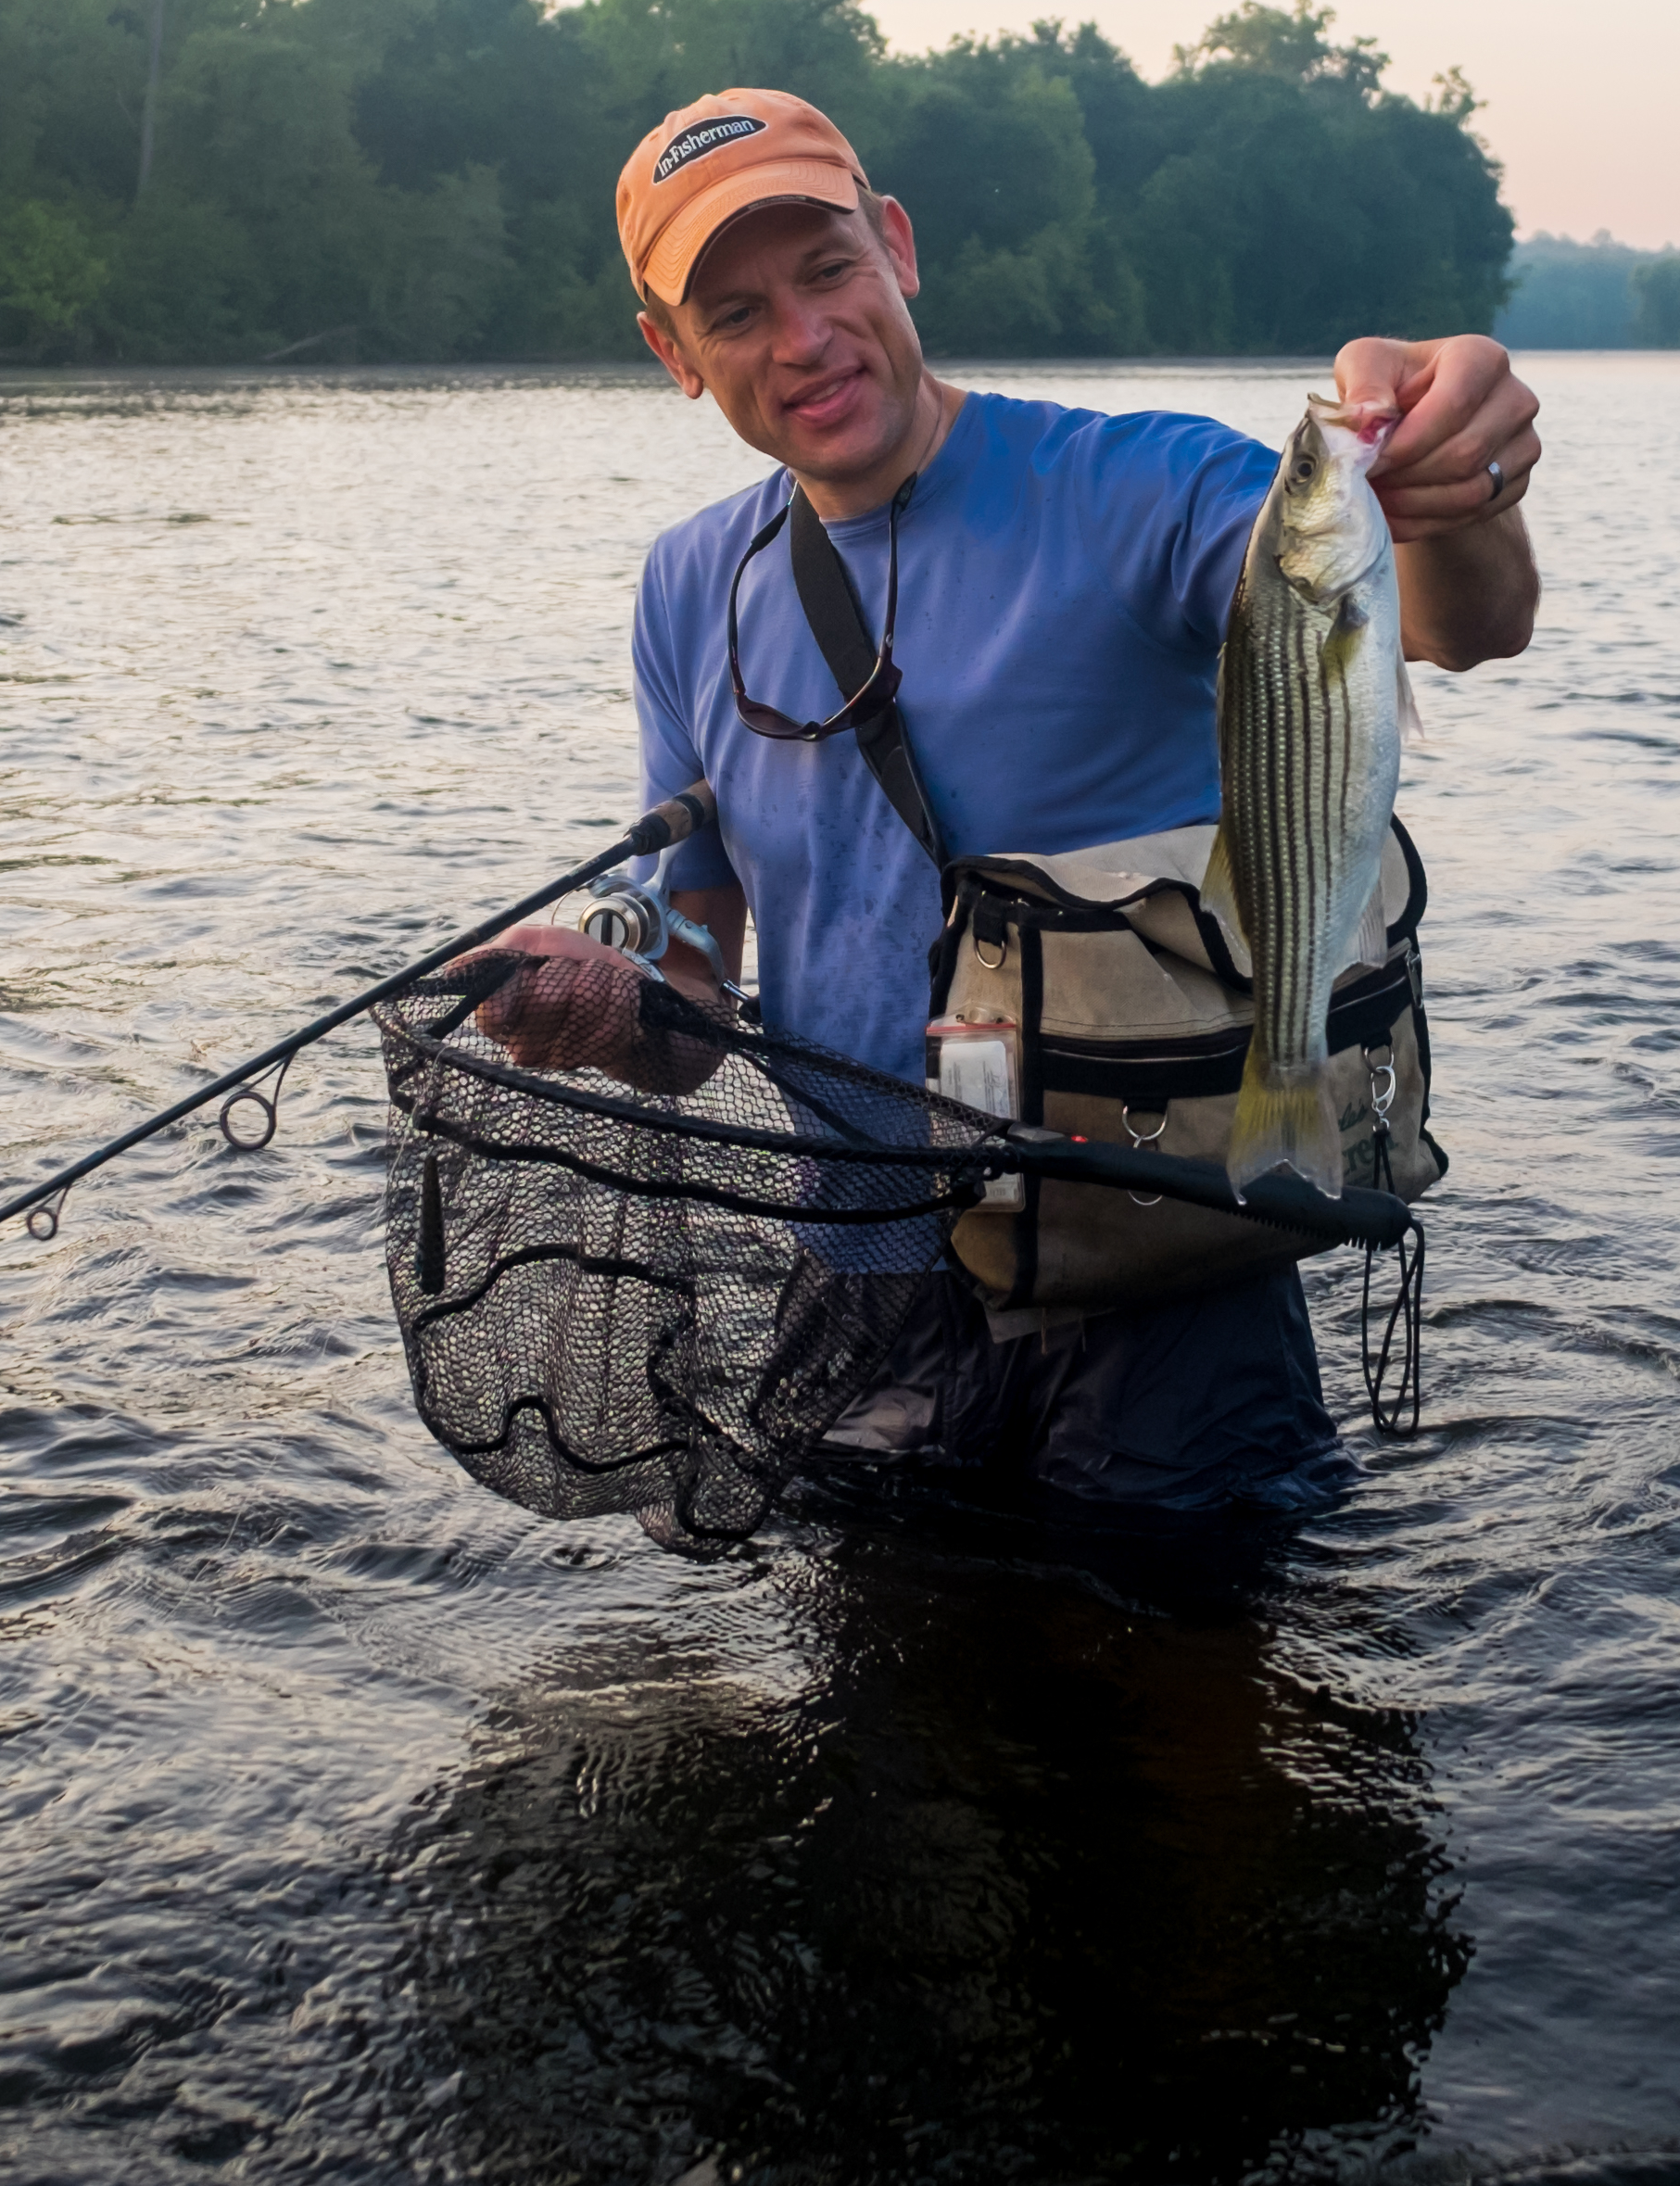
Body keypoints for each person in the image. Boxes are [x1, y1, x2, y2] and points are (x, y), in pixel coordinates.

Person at [482, 85, 1540, 1514]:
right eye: (733, 314)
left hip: (1153, 1265)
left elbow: (1455, 627)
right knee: (881, 1715)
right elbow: (688, 999)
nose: (802, 339)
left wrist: (1459, 480)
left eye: (828, 269)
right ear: (673, 354)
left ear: (899, 248)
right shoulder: (690, 586)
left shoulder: (1139, 491)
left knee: (1205, 1715)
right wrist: (612, 1002)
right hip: (864, 1276)